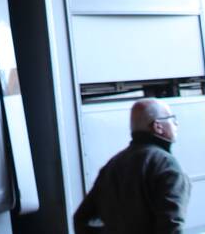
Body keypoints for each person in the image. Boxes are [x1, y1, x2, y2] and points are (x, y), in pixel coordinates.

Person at [73, 98, 191, 233]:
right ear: (158, 126)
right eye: (172, 118)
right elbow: (171, 225)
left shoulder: (113, 164)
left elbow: (81, 218)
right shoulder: (166, 164)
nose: (176, 123)